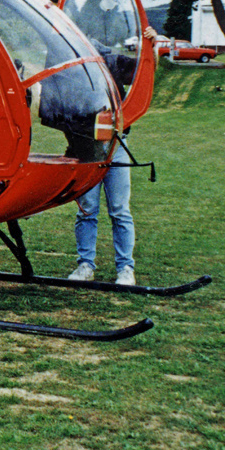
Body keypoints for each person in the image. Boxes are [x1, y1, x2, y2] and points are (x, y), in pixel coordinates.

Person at [69, 25, 159, 286]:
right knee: (87, 210)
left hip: (116, 144)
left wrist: (152, 46)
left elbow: (145, 72)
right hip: (86, 147)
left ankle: (126, 269)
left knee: (119, 210)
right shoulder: (72, 68)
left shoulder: (115, 62)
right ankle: (85, 265)